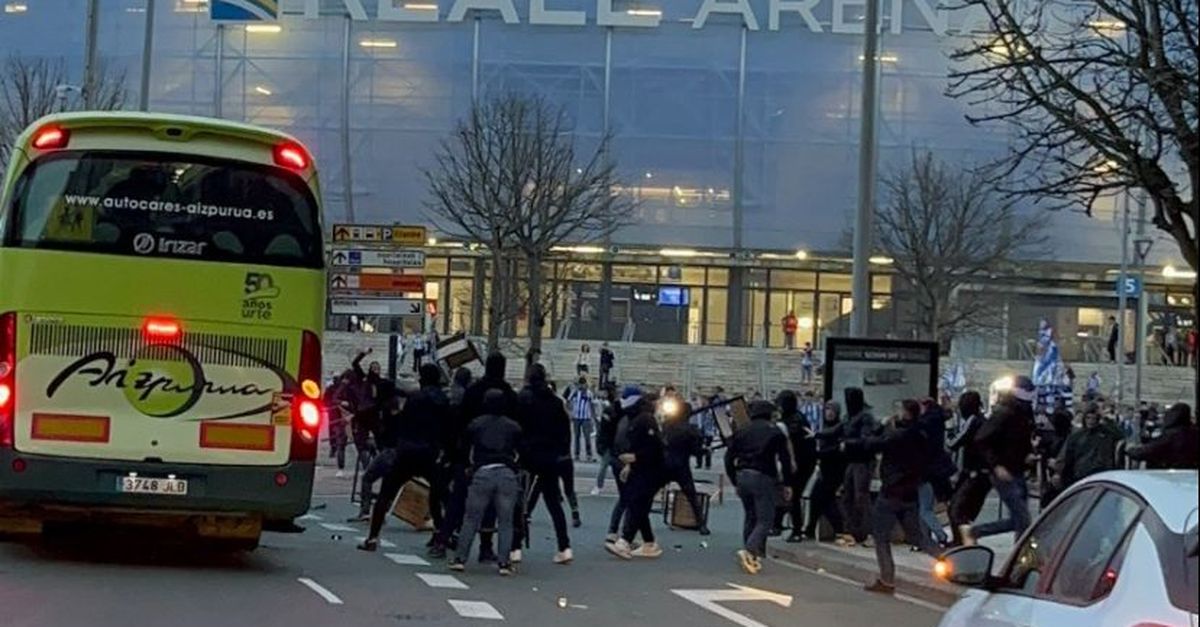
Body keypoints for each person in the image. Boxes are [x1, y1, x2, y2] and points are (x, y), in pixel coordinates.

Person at [848, 400, 942, 595]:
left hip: (891, 491)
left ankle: (887, 579)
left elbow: (871, 444)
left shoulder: (898, 436)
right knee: (917, 536)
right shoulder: (922, 434)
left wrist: (881, 426)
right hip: (911, 492)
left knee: (880, 536)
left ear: (906, 414)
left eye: (899, 410)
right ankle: (951, 561)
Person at [439, 352, 519, 562]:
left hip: (471, 455)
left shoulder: (474, 392)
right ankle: (486, 547)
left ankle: (443, 540)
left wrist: (455, 454)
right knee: (494, 507)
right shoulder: (509, 394)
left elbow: (459, 422)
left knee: (459, 502)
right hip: (502, 458)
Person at [358, 364, 447, 551]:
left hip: (407, 450)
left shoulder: (415, 399)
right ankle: (440, 534)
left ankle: (373, 537)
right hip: (430, 452)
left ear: (422, 379)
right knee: (437, 494)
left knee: (386, 493)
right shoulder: (442, 400)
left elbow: (404, 424)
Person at [448, 390, 523, 576]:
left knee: (471, 518)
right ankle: (504, 562)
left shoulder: (476, 424)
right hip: (506, 472)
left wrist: (467, 467)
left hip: (482, 470)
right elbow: (521, 450)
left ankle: (460, 558)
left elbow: (464, 447)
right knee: (506, 520)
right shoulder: (512, 426)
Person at [961, 376, 1036, 546]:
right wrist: (996, 465)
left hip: (1016, 469)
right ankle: (977, 532)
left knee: (1019, 519)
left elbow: (1021, 441)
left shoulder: (1023, 414)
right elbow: (981, 440)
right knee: (1023, 519)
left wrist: (1028, 453)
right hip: (1003, 471)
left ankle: (977, 532)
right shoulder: (1004, 413)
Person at [515, 364, 574, 565]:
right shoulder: (555, 402)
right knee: (554, 504)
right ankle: (564, 546)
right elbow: (565, 432)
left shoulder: (522, 399)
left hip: (527, 456)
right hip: (550, 457)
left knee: (521, 502)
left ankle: (515, 546)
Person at [726, 400, 793, 574]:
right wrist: (787, 483)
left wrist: (734, 478)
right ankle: (750, 550)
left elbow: (728, 458)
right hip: (763, 475)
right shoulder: (774, 431)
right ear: (769, 414)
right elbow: (785, 459)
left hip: (742, 474)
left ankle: (752, 556)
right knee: (765, 519)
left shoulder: (742, 431)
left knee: (750, 516)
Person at [606, 391, 667, 560]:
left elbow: (655, 448)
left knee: (637, 503)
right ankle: (648, 542)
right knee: (640, 504)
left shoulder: (643, 420)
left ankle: (626, 540)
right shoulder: (641, 419)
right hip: (646, 468)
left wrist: (635, 458)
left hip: (650, 470)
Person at [662, 402, 711, 536]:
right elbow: (696, 451)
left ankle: (634, 521)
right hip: (681, 466)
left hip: (664, 464)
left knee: (648, 494)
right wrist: (706, 451)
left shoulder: (667, 425)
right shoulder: (691, 430)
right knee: (692, 496)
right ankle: (701, 525)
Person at [947, 391, 989, 547]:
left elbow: (954, 443)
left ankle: (963, 542)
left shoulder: (973, 421)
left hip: (974, 473)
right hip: (978, 473)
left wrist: (950, 429)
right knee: (963, 511)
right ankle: (963, 541)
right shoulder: (983, 421)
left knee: (957, 510)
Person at [838, 387, 877, 547]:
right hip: (852, 460)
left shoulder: (865, 417)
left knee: (861, 497)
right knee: (847, 497)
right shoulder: (849, 417)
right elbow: (839, 430)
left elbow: (865, 440)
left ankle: (867, 532)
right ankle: (853, 531)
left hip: (863, 460)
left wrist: (846, 443)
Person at [1056, 402, 1124, 489]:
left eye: (1093, 418)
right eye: (1088, 418)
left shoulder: (1105, 433)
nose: (1091, 421)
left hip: (1100, 473)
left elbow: (1119, 435)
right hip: (1080, 475)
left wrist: (1106, 418)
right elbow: (1067, 456)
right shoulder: (1077, 435)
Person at [915, 398, 955, 547]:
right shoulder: (937, 421)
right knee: (927, 506)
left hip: (926, 471)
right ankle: (925, 538)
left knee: (924, 509)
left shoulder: (925, 424)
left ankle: (940, 535)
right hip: (937, 470)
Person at [778, 391, 817, 543]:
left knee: (793, 494)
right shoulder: (795, 417)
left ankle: (797, 530)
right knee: (790, 493)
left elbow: (790, 441)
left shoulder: (794, 420)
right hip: (801, 462)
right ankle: (788, 525)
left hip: (801, 462)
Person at [804, 401, 846, 540]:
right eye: (827, 409)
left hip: (835, 470)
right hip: (825, 469)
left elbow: (835, 451)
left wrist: (817, 453)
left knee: (824, 500)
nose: (829, 412)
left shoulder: (839, 428)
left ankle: (839, 529)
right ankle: (811, 528)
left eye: (832, 410)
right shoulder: (826, 427)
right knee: (818, 499)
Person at [1126, 403, 1199, 469]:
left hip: (1167, 475)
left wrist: (1130, 451)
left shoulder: (1171, 435)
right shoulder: (1194, 433)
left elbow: (1150, 450)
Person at [592, 383, 619, 495]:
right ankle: (599, 485)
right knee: (607, 465)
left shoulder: (611, 406)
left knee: (609, 466)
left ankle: (599, 486)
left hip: (612, 441)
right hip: (609, 440)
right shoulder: (605, 405)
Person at [324, 373, 351, 476]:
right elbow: (325, 401)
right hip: (335, 416)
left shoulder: (346, 390)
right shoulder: (331, 389)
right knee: (335, 436)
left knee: (341, 441)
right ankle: (333, 448)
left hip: (344, 417)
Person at [567, 377, 597, 462]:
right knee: (576, 436)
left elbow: (592, 404)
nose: (582, 386)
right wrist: (570, 412)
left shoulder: (589, 393)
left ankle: (589, 454)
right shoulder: (575, 392)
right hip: (576, 417)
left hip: (586, 417)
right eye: (580, 384)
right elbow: (568, 401)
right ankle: (576, 454)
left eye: (583, 384)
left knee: (587, 436)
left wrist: (593, 417)